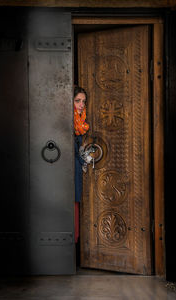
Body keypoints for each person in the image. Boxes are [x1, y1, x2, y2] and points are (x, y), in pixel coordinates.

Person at [74, 86, 91, 244]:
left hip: (75, 170)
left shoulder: (80, 123)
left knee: (75, 204)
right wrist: (84, 159)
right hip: (69, 171)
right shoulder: (71, 122)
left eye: (83, 102)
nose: (81, 105)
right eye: (77, 101)